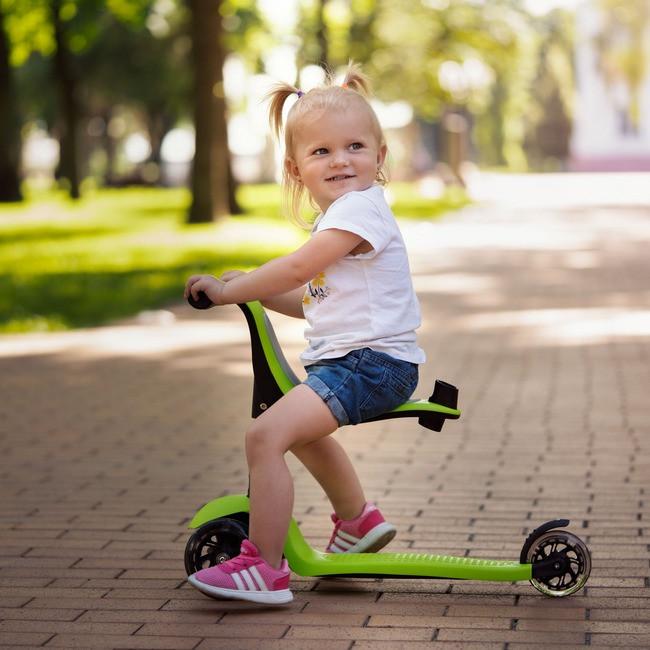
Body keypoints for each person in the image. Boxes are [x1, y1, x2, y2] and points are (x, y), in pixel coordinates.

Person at [184, 62, 425, 605]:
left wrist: (229, 291)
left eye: (355, 146)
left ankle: (264, 569)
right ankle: (358, 522)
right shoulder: (342, 219)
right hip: (362, 361)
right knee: (305, 434)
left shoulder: (359, 211)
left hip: (370, 364)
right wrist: (253, 291)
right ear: (296, 169)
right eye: (322, 152)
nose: (341, 159)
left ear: (379, 157)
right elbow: (309, 296)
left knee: (264, 437)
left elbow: (295, 269)